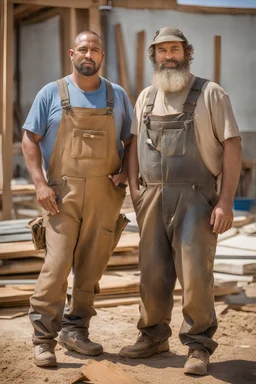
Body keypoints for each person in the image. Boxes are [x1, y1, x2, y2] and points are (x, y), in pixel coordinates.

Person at [119, 27, 242, 376]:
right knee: (153, 273)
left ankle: (198, 345)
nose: (168, 56)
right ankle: (153, 336)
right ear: (153, 56)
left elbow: (233, 146)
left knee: (195, 274)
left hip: (196, 197)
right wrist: (134, 191)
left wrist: (226, 202)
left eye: (175, 49)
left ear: (186, 53)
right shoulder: (145, 97)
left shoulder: (210, 93)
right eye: (161, 50)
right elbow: (132, 145)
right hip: (152, 196)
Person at [22, 30, 133, 367]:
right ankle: (43, 338)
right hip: (61, 196)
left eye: (95, 49)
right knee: (56, 267)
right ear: (72, 53)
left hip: (104, 195)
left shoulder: (117, 96)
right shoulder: (50, 93)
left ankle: (76, 330)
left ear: (102, 56)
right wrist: (40, 184)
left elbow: (130, 141)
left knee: (90, 269)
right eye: (83, 48)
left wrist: (127, 173)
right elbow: (29, 140)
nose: (89, 54)